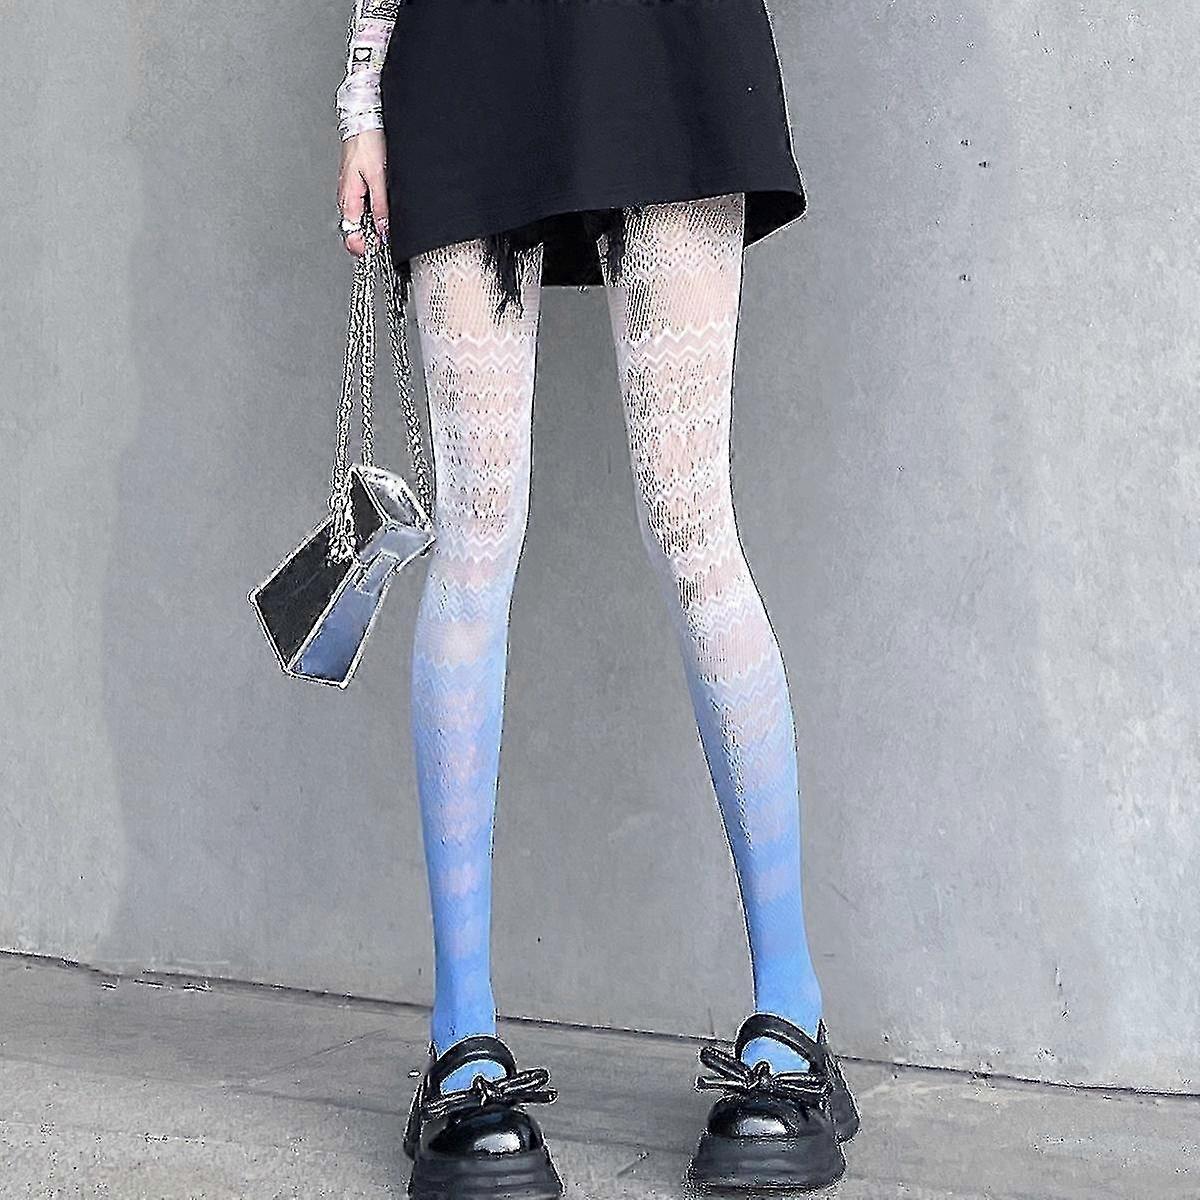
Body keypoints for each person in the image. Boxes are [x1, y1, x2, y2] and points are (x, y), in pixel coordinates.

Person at [332, 2, 860, 1194]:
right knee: (474, 538)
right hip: (468, 47)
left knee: (693, 527)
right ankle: (460, 1040)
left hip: (662, 37)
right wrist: (362, 92)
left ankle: (794, 1016)